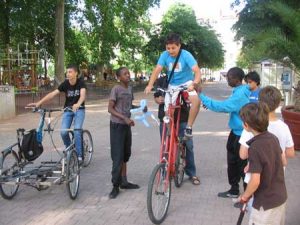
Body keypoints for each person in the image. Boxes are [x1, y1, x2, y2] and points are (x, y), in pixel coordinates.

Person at [237, 86, 295, 209]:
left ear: (259, 101)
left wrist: (245, 196)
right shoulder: (283, 127)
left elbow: (242, 154)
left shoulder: (251, 125)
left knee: (257, 211)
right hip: (277, 178)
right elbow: (290, 153)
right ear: (279, 103)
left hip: (255, 180)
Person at [199, 67, 250, 198]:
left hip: (243, 135)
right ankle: (234, 190)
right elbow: (227, 106)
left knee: (242, 165)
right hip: (235, 133)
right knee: (232, 162)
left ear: (238, 79)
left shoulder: (240, 94)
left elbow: (223, 107)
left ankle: (247, 197)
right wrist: (209, 104)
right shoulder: (238, 90)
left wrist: (201, 96)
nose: (227, 79)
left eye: (230, 77)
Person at [238, 102, 287, 225]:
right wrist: (254, 165)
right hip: (280, 197)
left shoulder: (254, 147)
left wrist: (245, 196)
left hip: (265, 205)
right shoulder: (272, 138)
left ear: (246, 125)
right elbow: (280, 161)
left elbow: (255, 181)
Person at [144, 33, 201, 138]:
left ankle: (189, 127)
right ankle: (171, 133)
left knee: (196, 101)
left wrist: (194, 83)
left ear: (179, 46)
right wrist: (150, 85)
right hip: (172, 84)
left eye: (173, 48)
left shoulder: (186, 55)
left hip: (187, 83)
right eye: (168, 48)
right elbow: (157, 70)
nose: (170, 51)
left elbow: (197, 72)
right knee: (168, 111)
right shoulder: (164, 55)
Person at [27, 64, 86, 163]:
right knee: (63, 132)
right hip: (68, 110)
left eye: (70, 72)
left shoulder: (81, 83)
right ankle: (70, 151)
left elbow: (83, 95)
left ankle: (80, 155)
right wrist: (39, 103)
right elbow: (52, 94)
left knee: (77, 130)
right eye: (67, 72)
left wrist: (78, 104)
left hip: (79, 109)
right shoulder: (65, 84)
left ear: (76, 73)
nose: (68, 74)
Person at [154, 75, 200, 185]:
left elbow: (197, 92)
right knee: (166, 146)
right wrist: (158, 99)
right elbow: (156, 96)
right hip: (165, 119)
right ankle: (166, 172)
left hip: (183, 118)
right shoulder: (162, 80)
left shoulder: (186, 80)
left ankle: (191, 173)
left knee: (188, 145)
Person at [108, 67, 140, 199]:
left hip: (127, 126)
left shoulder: (130, 89)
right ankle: (115, 186)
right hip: (117, 125)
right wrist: (124, 118)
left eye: (128, 73)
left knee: (126, 154)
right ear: (119, 77)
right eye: (124, 74)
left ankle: (124, 181)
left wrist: (140, 108)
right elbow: (110, 108)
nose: (128, 75)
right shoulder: (116, 89)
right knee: (117, 156)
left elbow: (128, 106)